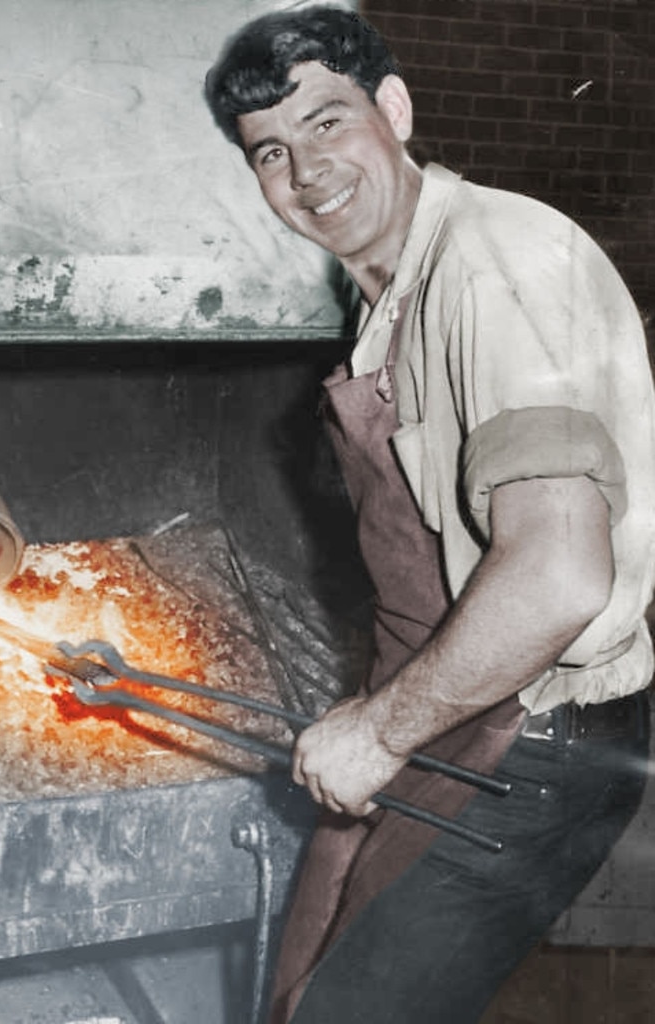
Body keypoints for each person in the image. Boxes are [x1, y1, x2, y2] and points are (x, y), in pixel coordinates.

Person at [205, 7, 655, 1023]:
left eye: (327, 122)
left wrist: (376, 728)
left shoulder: (492, 263)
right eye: (270, 151)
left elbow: (558, 573)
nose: (305, 170)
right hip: (453, 707)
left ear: (395, 110)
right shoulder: (397, 287)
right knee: (302, 985)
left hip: (533, 734)